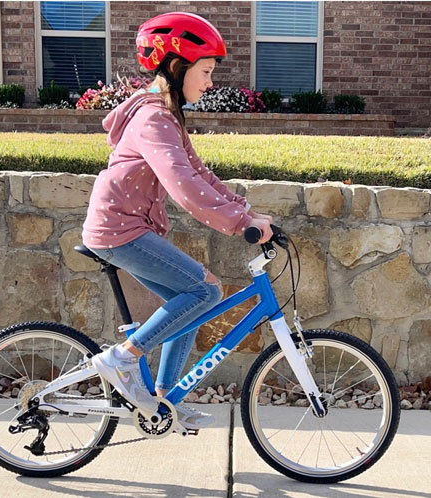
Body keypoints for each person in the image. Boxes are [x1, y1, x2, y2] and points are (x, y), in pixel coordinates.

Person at [81, 12, 274, 429]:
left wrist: (246, 211)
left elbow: (200, 173)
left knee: (196, 294)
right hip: (119, 232)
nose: (209, 83)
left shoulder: (166, 116)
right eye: (204, 71)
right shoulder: (153, 119)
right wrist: (239, 224)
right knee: (203, 292)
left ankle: (163, 398)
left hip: (126, 228)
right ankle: (122, 359)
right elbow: (183, 184)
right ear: (175, 66)